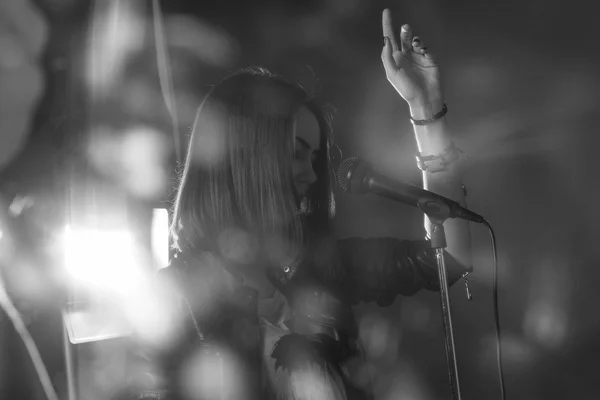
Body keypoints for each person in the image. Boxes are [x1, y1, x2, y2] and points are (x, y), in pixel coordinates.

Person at [127, 8, 472, 400]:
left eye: (313, 157)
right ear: (246, 159)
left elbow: (448, 260)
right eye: (295, 153)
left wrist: (425, 110)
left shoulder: (321, 268)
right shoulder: (177, 298)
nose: (311, 174)